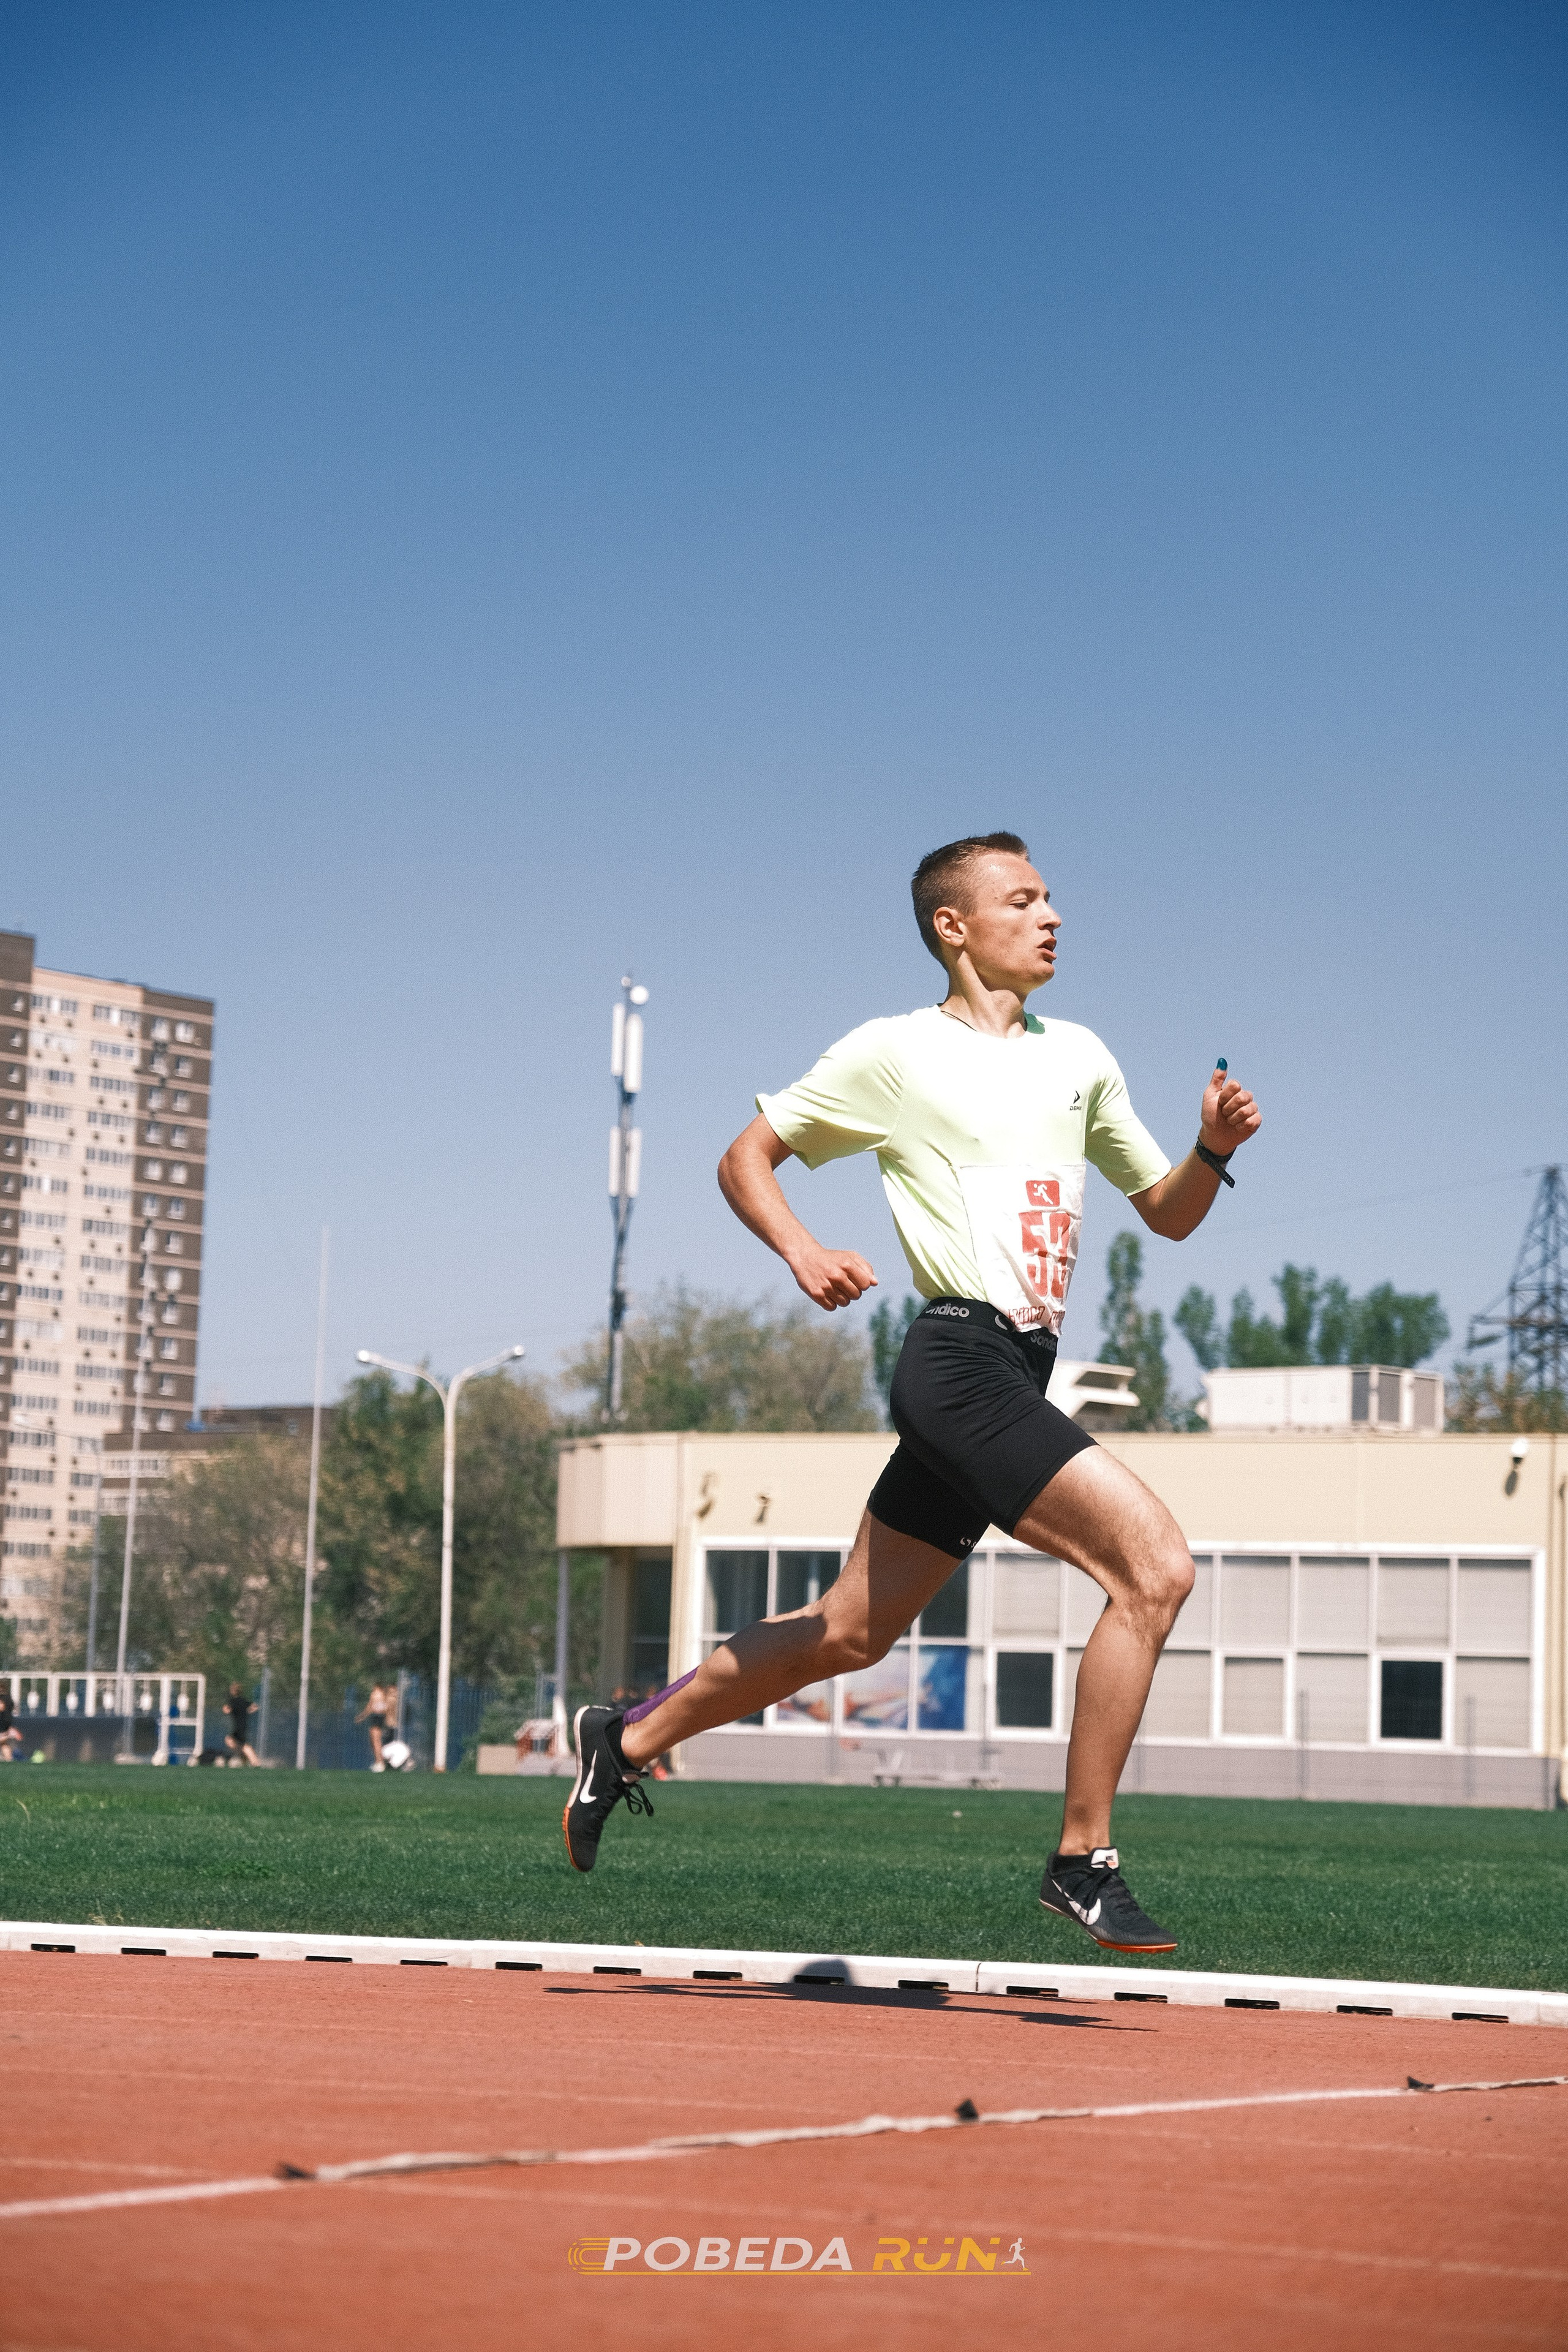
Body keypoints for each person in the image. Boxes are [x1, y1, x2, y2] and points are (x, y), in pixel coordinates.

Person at [564, 832, 1260, 1952]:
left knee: (850, 1632)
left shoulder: (1082, 1058)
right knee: (1155, 1568)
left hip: (1018, 1369)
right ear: (955, 926)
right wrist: (803, 1252)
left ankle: (625, 1740)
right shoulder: (894, 1053)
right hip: (957, 1365)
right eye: (1022, 900)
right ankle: (1083, 1860)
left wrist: (1211, 1150)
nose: (1052, 916)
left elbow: (1168, 1213)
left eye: (1050, 898)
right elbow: (746, 1158)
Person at [355, 1683, 392, 1771]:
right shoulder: (381, 1694)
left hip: (378, 1717)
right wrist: (362, 1716)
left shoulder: (378, 1693)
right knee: (374, 1741)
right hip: (378, 1716)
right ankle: (379, 1762)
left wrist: (362, 1716)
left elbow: (371, 1707)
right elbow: (373, 1707)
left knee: (376, 1741)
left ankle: (380, 1763)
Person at [222, 1682, 260, 1766]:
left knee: (244, 1746)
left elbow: (226, 1710)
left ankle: (256, 1763)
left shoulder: (233, 1702)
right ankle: (245, 1760)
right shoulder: (243, 1701)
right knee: (231, 1741)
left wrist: (227, 1708)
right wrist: (249, 1711)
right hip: (243, 1726)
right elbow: (255, 1707)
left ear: (234, 1691)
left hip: (239, 1727)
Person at [0, 1684, 18, 1763]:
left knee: (3, 1742)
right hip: (7, 1724)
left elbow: (1, 1707)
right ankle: (9, 1760)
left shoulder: (3, 1698)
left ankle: (9, 1760)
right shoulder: (9, 1698)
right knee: (4, 1744)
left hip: (2, 1724)